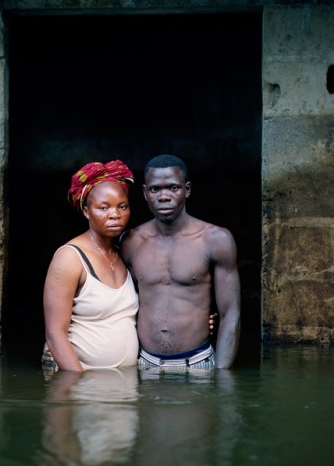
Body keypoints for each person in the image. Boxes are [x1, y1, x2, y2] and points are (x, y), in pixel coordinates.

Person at [120, 154, 241, 370]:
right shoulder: (130, 242)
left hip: (198, 363)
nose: (164, 196)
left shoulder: (215, 240)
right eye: (155, 189)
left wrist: (222, 377)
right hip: (145, 364)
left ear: (187, 190)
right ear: (145, 193)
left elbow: (230, 312)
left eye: (173, 188)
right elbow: (111, 305)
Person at [43, 160, 139, 371]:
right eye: (103, 208)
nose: (115, 214)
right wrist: (79, 383)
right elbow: (55, 333)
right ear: (86, 211)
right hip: (85, 388)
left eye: (122, 206)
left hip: (125, 389)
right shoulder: (70, 257)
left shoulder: (125, 253)